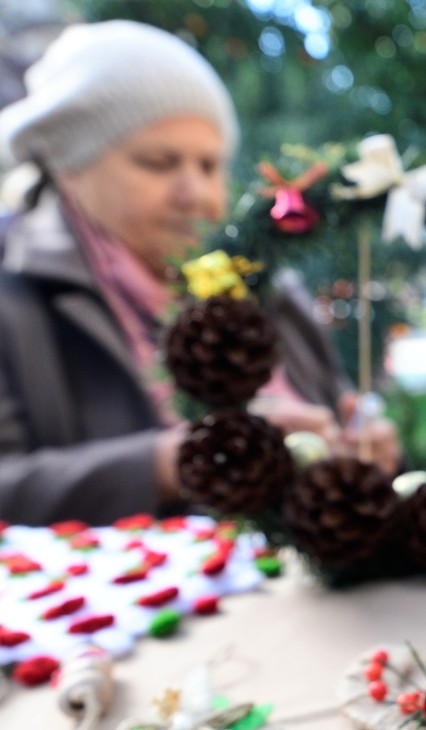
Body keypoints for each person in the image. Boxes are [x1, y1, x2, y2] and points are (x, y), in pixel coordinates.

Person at [0, 20, 398, 526]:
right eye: (158, 163)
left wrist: (368, 450)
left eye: (211, 167)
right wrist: (173, 462)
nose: (197, 196)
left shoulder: (269, 288)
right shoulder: (14, 290)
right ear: (72, 166)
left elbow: (338, 414)